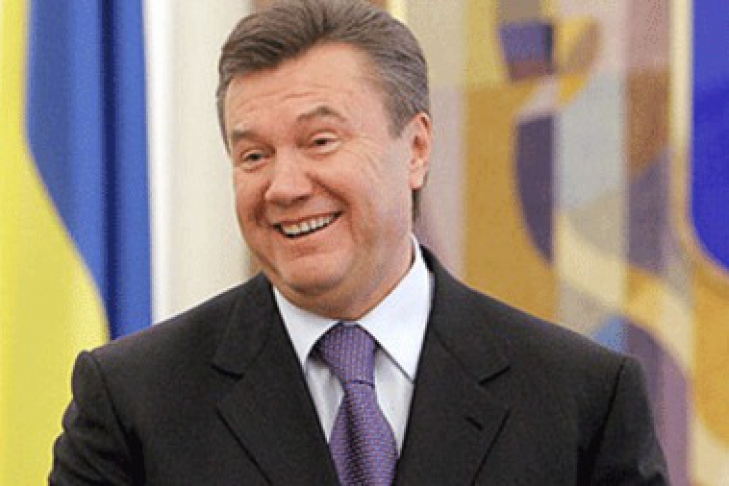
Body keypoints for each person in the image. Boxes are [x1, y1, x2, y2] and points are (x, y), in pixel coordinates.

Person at [50, 0, 670, 484]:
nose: (284, 186)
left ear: (416, 149)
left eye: (320, 142)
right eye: (254, 155)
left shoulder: (581, 398)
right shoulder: (135, 400)